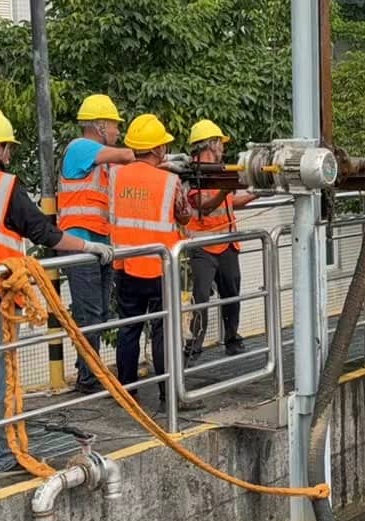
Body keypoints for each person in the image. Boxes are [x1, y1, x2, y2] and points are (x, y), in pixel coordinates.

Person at [0, 107, 111, 479]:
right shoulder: (4, 185)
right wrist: (89, 247)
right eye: (7, 148)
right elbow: (44, 232)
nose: (9, 154)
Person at [54, 94, 135, 393]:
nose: (117, 132)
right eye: (114, 126)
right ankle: (89, 377)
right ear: (100, 126)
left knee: (99, 311)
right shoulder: (81, 148)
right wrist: (142, 151)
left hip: (98, 244)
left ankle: (89, 369)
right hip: (79, 244)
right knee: (89, 312)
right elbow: (127, 157)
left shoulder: (100, 161)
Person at [109, 114, 190, 409]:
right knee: (162, 331)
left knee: (128, 328)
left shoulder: (116, 176)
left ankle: (127, 394)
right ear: (157, 150)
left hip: (126, 265)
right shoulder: (170, 181)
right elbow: (184, 215)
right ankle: (169, 396)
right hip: (159, 267)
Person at [182, 119, 258, 363]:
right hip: (202, 245)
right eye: (220, 143)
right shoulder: (192, 173)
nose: (223, 148)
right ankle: (193, 347)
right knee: (201, 295)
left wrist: (254, 194)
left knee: (232, 291)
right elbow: (201, 204)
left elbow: (227, 203)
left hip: (227, 242)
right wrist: (225, 191)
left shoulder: (219, 171)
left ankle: (232, 339)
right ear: (211, 144)